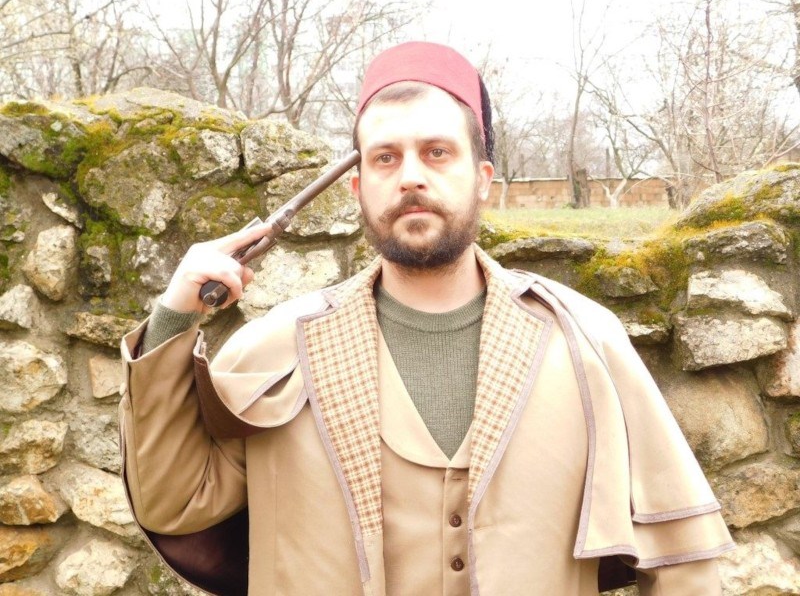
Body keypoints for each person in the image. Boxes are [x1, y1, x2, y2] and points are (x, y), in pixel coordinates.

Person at [120, 42, 734, 595]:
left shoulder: (586, 342)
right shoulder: (277, 349)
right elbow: (176, 504)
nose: (411, 176)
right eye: (386, 158)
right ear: (358, 188)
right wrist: (174, 318)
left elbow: (684, 559)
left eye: (437, 153)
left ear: (483, 179)